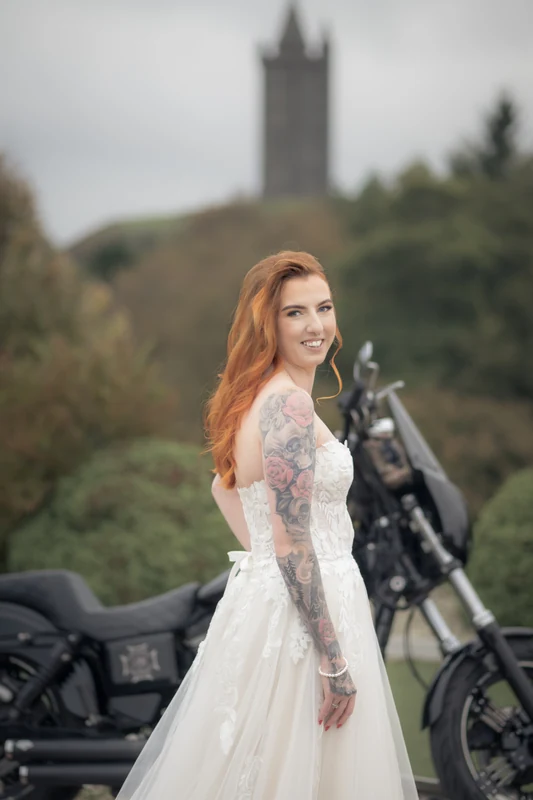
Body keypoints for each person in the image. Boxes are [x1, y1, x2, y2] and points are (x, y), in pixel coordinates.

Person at [115, 251, 418, 799]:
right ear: (267, 324)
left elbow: (222, 487)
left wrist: (262, 566)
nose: (316, 325)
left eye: (323, 308)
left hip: (277, 603)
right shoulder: (290, 409)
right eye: (295, 313)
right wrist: (332, 659)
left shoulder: (270, 398)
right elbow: (293, 543)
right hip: (304, 621)